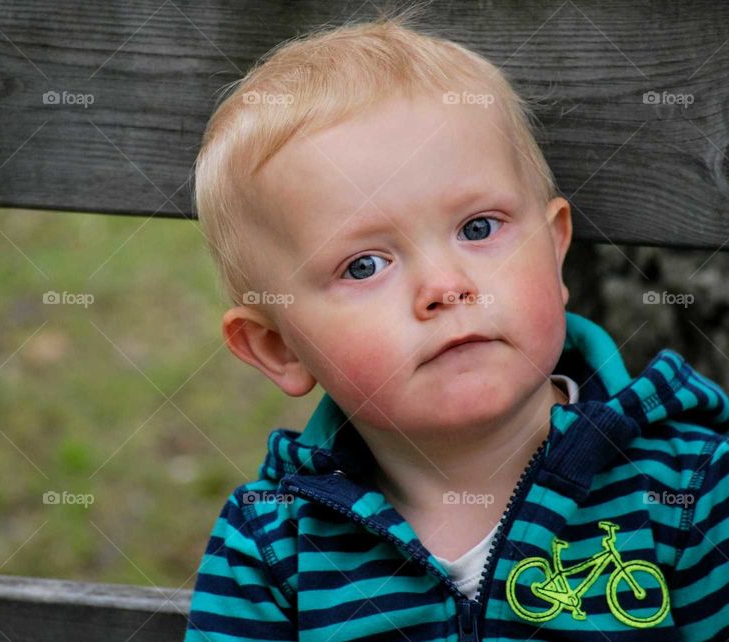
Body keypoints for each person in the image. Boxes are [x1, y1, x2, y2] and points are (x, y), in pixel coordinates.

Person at [184, 11, 729, 641]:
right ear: (279, 348)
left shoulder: (688, 494)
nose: (445, 287)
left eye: (478, 228)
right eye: (364, 265)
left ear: (555, 252)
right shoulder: (274, 547)